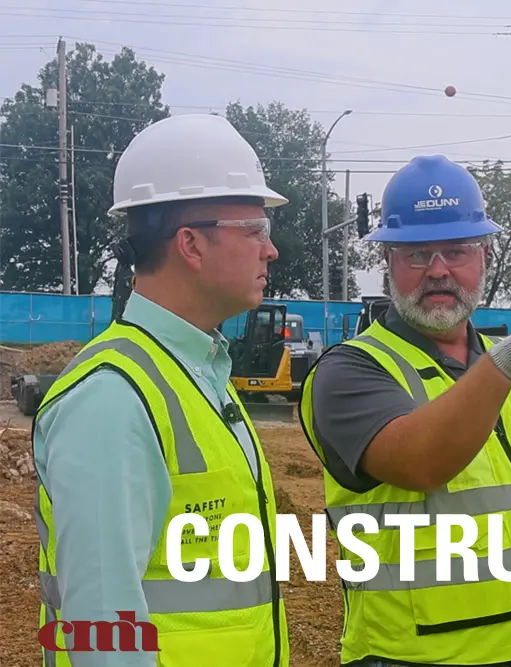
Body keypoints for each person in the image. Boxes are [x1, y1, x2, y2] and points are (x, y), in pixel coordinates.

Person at [298, 154, 511, 667]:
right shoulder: (350, 371)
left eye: (455, 251)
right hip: (413, 656)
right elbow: (420, 463)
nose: (438, 271)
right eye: (417, 255)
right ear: (390, 264)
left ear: (485, 255)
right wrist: (507, 359)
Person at [31, 114, 290, 666]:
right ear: (191, 244)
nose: (270, 251)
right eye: (256, 230)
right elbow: (103, 633)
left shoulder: (197, 370)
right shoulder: (112, 399)